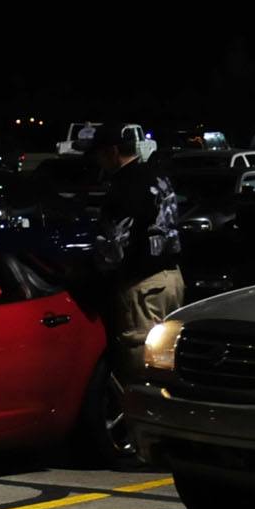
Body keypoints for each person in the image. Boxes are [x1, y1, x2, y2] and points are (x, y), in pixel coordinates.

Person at [89, 123, 183, 362]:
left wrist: (93, 267)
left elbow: (114, 249)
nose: (97, 161)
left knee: (142, 359)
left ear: (112, 152)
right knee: (167, 356)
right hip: (171, 279)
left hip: (143, 287)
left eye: (99, 155)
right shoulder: (158, 176)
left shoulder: (123, 187)